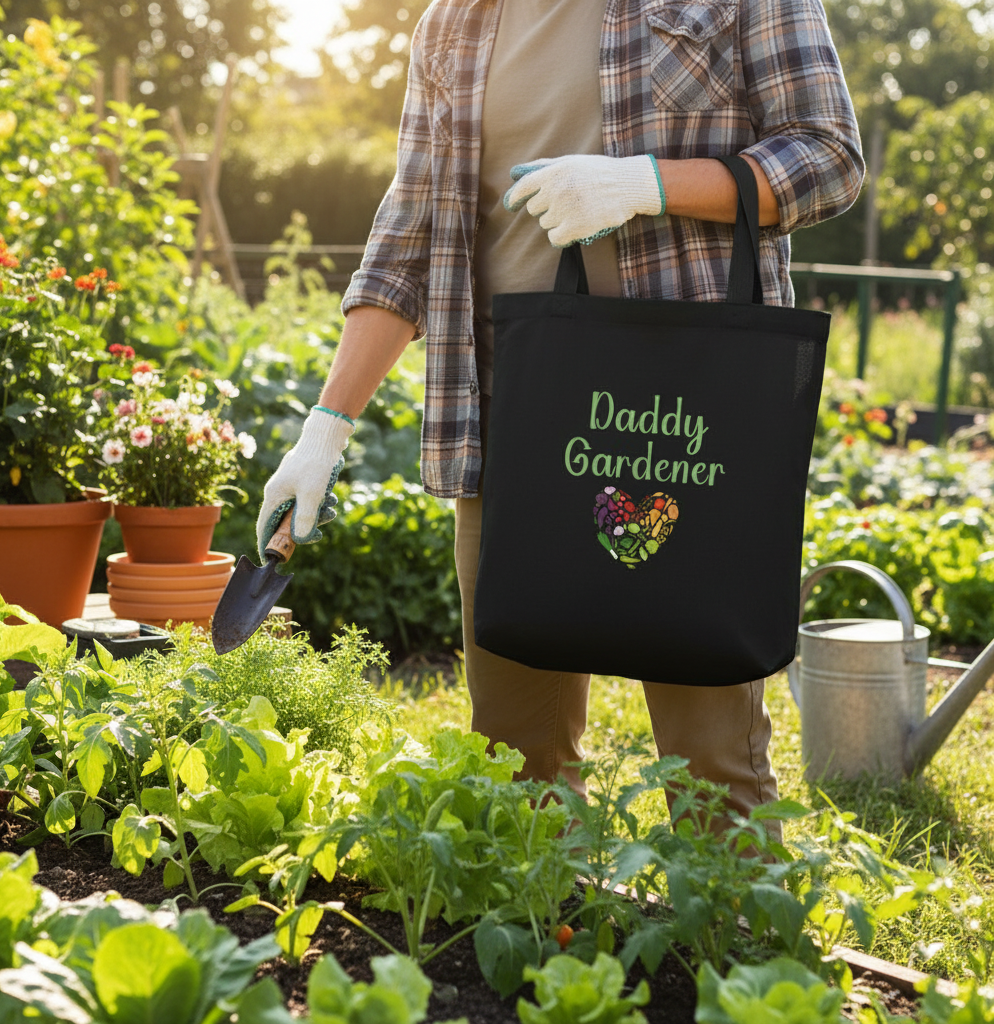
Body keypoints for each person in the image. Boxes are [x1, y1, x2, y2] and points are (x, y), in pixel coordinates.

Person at [257, 0, 864, 819]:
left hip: (679, 425)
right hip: (515, 422)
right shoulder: (453, 25)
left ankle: (736, 937)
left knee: (713, 768)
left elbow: (827, 156)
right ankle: (549, 930)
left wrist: (647, 184)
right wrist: (322, 433)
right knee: (514, 757)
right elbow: (408, 237)